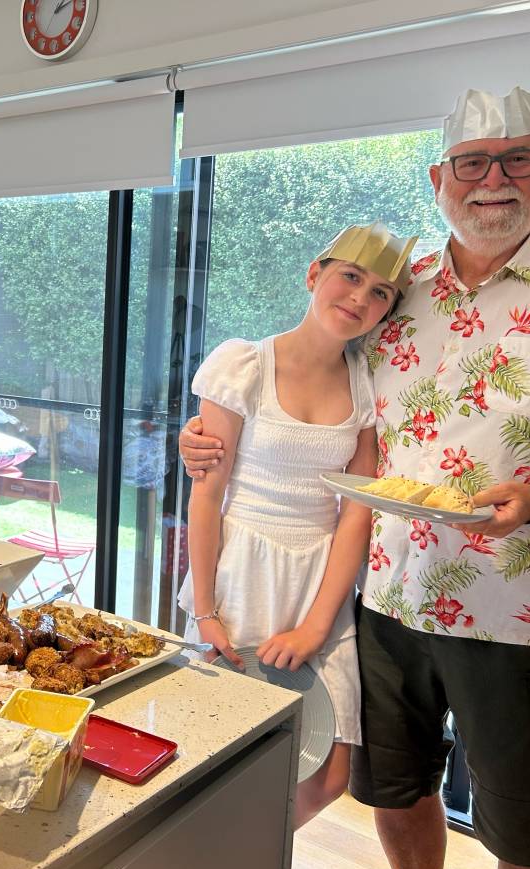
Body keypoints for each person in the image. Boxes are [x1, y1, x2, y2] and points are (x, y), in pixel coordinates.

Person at [179, 86, 530, 869]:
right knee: (395, 795)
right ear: (440, 179)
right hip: (391, 602)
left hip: (524, 614)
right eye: (472, 163)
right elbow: (310, 394)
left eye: (516, 160)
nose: (493, 180)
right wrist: (202, 439)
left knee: (529, 825)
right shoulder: (401, 293)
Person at [179, 222, 417, 829]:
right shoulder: (242, 364)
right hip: (241, 573)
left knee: (329, 772)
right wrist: (205, 611)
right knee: (223, 749)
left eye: (381, 292)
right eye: (351, 277)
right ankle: (217, 860)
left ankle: (249, 858)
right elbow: (207, 495)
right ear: (315, 275)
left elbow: (357, 509)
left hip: (321, 579)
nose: (361, 297)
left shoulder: (366, 382)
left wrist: (315, 627)